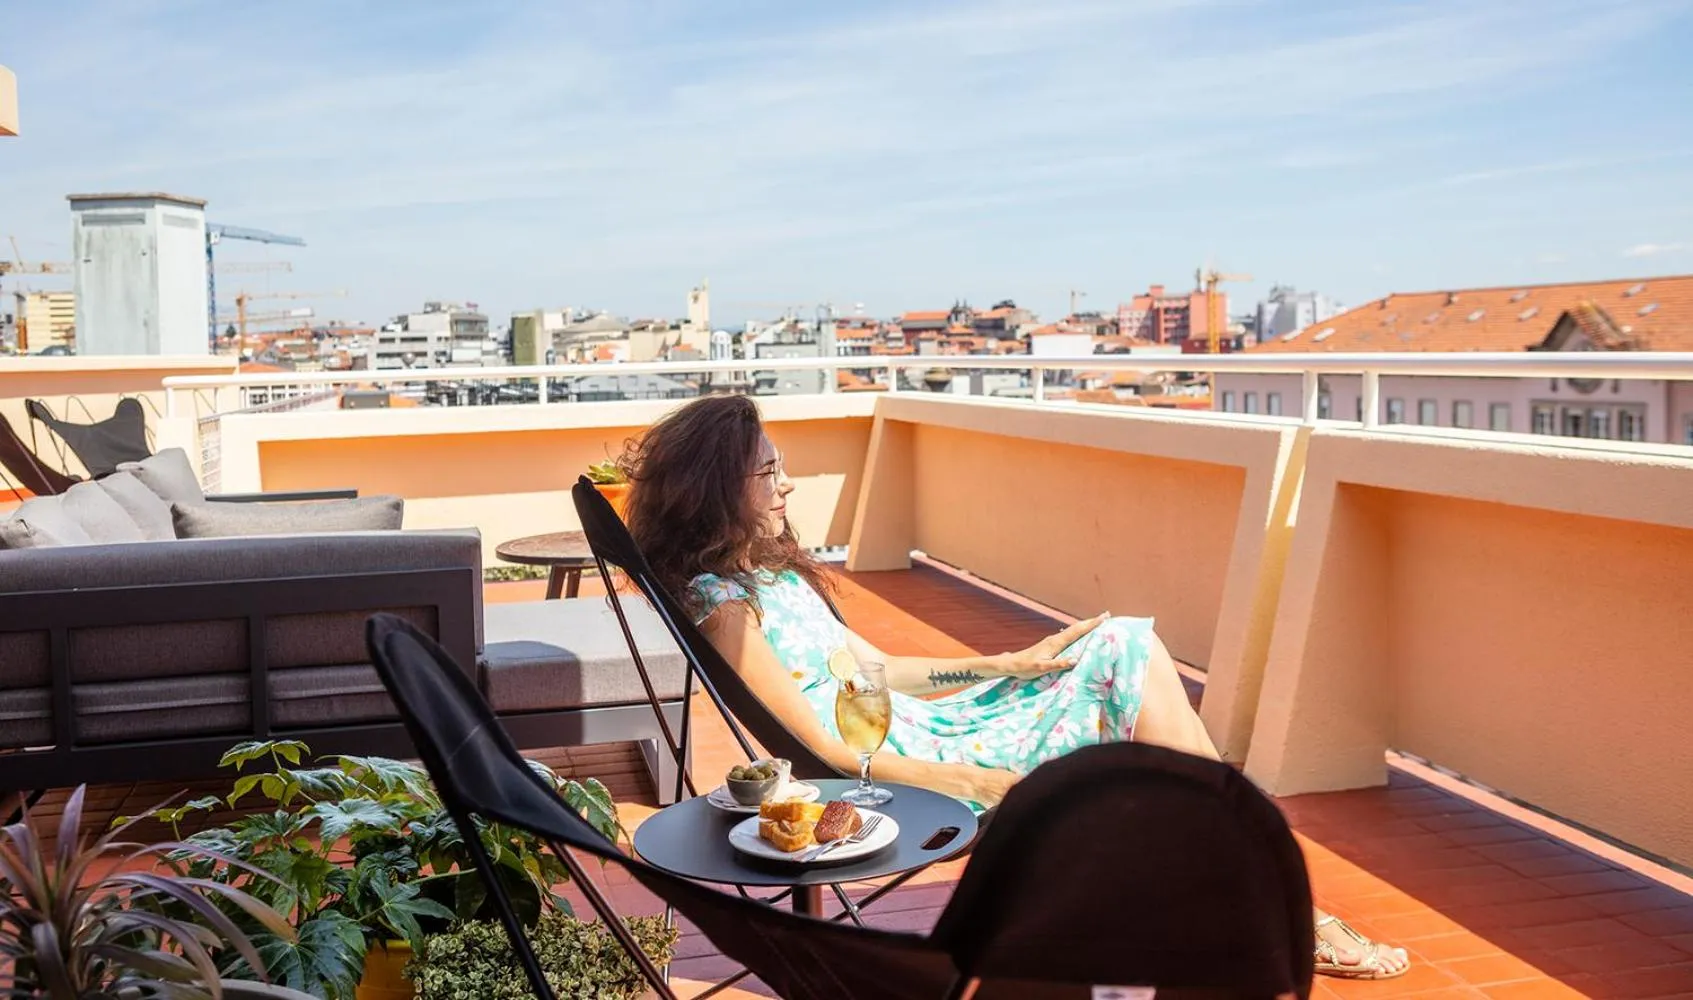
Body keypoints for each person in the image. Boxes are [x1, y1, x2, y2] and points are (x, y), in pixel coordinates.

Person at [620, 394, 1410, 981]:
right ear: (718, 487)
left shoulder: (768, 578)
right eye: (768, 472)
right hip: (915, 759)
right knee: (1128, 657)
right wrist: (976, 781)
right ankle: (1272, 902)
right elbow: (824, 749)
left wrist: (1005, 664)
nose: (787, 487)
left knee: (1118, 642)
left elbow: (881, 669)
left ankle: (1233, 888)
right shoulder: (729, 611)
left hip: (924, 723)